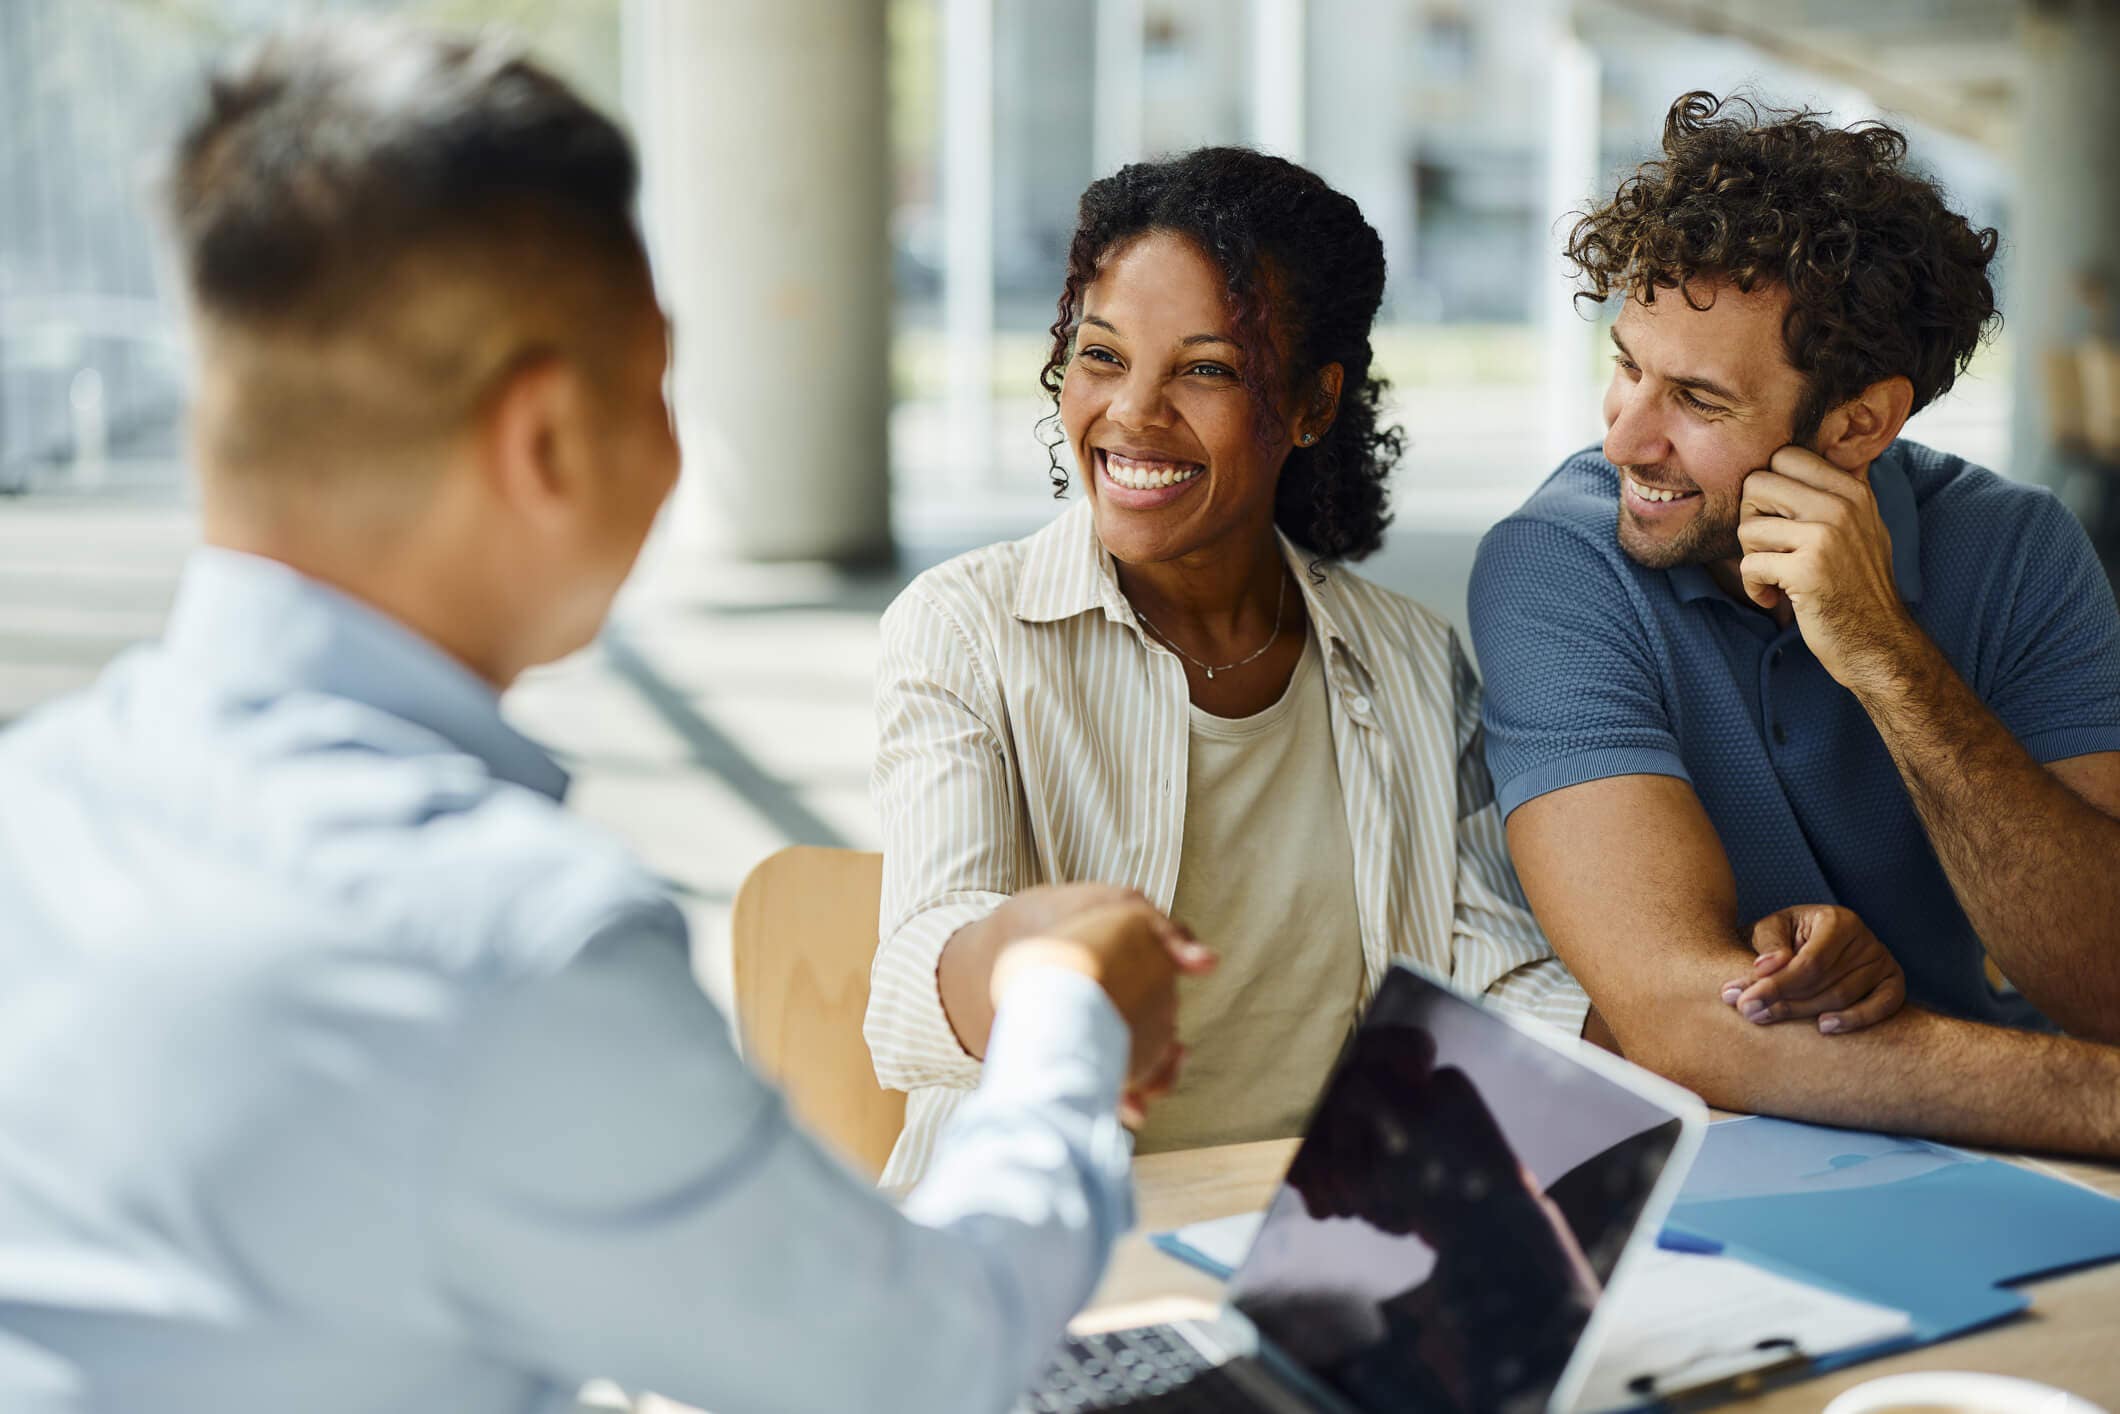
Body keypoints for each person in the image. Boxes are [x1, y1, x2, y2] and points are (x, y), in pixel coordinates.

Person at [0, 22, 1214, 1414]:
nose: (681, 446)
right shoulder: (504, 944)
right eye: (657, 383)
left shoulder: (32, 799)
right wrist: (1062, 1011)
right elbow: (925, 1362)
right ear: (546, 441)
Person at [867, 147, 1582, 1188]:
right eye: (1101, 355)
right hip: (1049, 1249)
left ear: (1310, 404)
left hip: (1334, 1247)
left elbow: (1494, 974)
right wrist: (1029, 956)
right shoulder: (965, 630)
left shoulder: (1411, 662)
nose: (1130, 416)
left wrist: (1719, 1018)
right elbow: (908, 980)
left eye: (1204, 368)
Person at [1469, 91, 2120, 1156]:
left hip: (2012, 1160)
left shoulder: (2015, 550)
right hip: (1733, 1160)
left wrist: (1887, 660)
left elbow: (2100, 979)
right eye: (1626, 365)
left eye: (1696, 400)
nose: (1626, 438)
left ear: (1859, 422)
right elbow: (1680, 1020)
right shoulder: (1555, 563)